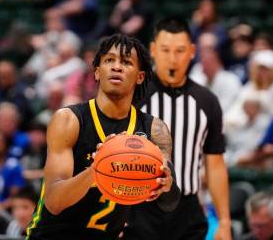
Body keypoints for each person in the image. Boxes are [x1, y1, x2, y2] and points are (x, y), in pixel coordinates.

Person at [26, 34, 176, 240]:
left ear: (140, 76)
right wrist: (97, 170)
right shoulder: (68, 120)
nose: (116, 67)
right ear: (97, 72)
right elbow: (54, 202)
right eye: (109, 60)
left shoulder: (155, 130)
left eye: (126, 62)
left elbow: (170, 202)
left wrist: (165, 186)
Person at [124, 18, 231, 240]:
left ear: (192, 52)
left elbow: (215, 165)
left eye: (180, 51)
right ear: (153, 50)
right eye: (165, 50)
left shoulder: (207, 101)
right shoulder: (132, 96)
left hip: (188, 209)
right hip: (139, 207)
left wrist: (224, 222)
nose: (173, 59)